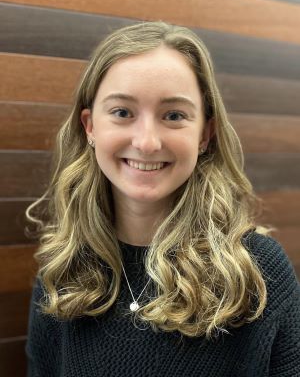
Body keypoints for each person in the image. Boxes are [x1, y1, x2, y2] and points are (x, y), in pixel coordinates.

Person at [25, 21, 300, 377]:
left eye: (173, 115)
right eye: (123, 112)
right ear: (90, 127)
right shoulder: (60, 273)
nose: (147, 142)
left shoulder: (259, 272)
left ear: (205, 134)